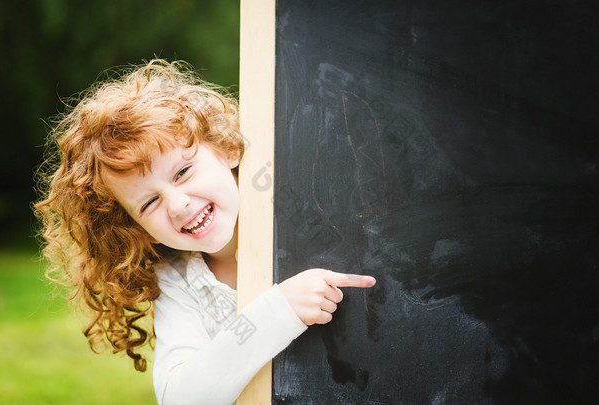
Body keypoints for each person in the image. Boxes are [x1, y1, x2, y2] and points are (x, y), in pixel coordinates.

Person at [34, 59, 376, 405]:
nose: (178, 205)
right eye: (150, 203)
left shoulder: (300, 204)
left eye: (182, 172)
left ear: (226, 148)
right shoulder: (180, 279)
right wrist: (278, 312)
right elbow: (180, 398)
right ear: (139, 229)